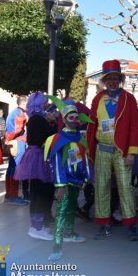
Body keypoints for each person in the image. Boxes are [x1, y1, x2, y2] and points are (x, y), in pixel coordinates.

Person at [87, 59, 138, 241]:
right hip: (102, 148)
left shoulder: (129, 98)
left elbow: (134, 126)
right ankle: (104, 224)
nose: (112, 81)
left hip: (122, 150)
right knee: (101, 186)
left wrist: (132, 151)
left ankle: (131, 224)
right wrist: (89, 150)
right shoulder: (97, 99)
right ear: (104, 80)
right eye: (108, 78)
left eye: (115, 78)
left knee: (126, 186)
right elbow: (92, 125)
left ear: (120, 79)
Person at [45, 102, 90, 260]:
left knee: (72, 207)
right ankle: (57, 246)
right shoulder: (58, 138)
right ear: (64, 119)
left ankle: (70, 232)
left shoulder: (80, 137)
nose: (74, 119)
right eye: (71, 117)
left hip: (77, 180)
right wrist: (61, 185)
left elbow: (84, 157)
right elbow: (57, 164)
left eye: (76, 117)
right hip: (65, 181)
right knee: (61, 212)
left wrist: (86, 176)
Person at [14, 92, 55, 240]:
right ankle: (37, 228)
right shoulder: (38, 119)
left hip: (36, 156)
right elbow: (44, 138)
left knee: (39, 191)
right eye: (44, 102)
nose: (47, 104)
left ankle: (38, 225)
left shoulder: (36, 118)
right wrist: (53, 125)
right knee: (42, 192)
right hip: (39, 156)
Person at [4, 95, 28, 205]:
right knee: (16, 168)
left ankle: (9, 195)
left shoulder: (13, 112)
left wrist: (8, 139)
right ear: (24, 103)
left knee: (11, 168)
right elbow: (17, 130)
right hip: (19, 142)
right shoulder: (20, 113)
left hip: (13, 143)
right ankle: (13, 196)